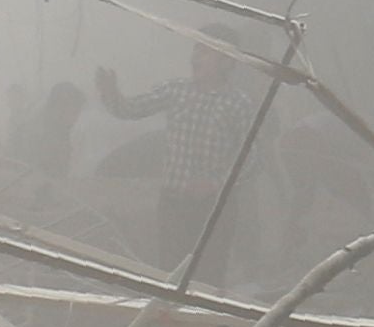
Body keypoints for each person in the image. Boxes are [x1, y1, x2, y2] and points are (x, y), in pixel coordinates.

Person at [92, 35, 264, 288]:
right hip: (174, 202)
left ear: (227, 62)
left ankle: (203, 325)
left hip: (215, 208)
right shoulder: (176, 90)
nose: (195, 57)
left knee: (209, 275)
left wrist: (217, 184)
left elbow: (251, 156)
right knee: (171, 273)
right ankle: (170, 323)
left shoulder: (237, 103)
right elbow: (130, 109)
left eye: (205, 52)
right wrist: (111, 94)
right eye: (196, 50)